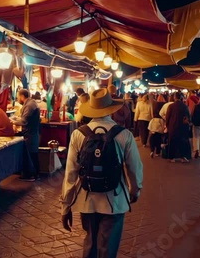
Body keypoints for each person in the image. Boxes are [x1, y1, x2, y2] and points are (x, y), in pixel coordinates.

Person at [60, 88, 143, 258]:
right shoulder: (124, 135)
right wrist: (135, 191)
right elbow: (134, 168)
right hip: (115, 199)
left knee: (90, 242)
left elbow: (70, 173)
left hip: (86, 199)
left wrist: (66, 206)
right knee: (108, 248)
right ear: (110, 109)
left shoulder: (78, 134)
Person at [11, 89, 41, 181]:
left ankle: (31, 175)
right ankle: (34, 174)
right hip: (32, 133)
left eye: (18, 96)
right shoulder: (31, 103)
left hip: (30, 134)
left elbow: (24, 121)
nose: (17, 98)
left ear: (22, 96)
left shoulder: (29, 105)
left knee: (30, 154)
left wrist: (12, 122)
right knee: (33, 153)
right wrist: (16, 118)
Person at [165, 92, 191, 163]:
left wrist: (167, 125)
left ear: (174, 97)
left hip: (172, 126)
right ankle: (183, 156)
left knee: (172, 142)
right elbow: (188, 116)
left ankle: (171, 157)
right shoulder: (184, 106)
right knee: (182, 142)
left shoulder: (171, 106)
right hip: (182, 127)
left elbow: (167, 117)